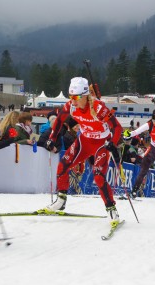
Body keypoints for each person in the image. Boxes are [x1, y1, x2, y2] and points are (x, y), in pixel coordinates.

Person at [44, 77, 123, 226]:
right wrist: (52, 137)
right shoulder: (71, 106)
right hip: (85, 141)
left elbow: (117, 127)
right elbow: (60, 120)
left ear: (85, 95)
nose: (72, 100)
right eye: (70, 96)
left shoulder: (99, 108)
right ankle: (61, 201)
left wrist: (112, 143)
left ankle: (111, 209)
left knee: (98, 176)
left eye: (75, 97)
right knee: (62, 165)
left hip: (101, 144)